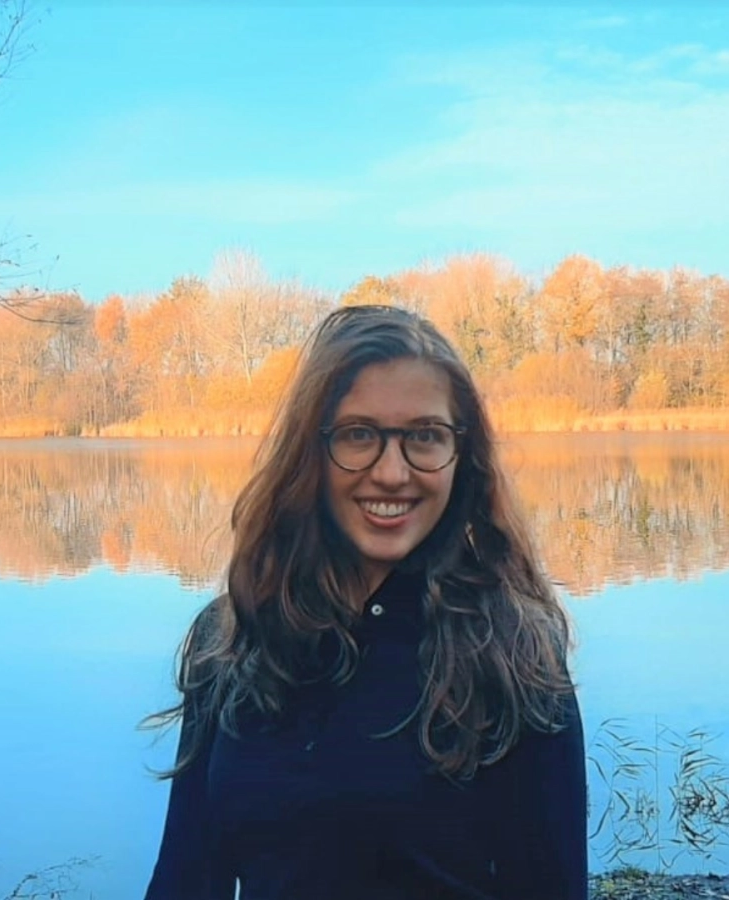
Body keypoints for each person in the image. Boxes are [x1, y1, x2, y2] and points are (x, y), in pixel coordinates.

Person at [143, 304, 587, 900]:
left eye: (425, 436)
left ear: (463, 455)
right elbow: (187, 875)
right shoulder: (230, 638)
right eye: (359, 434)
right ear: (311, 451)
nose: (392, 473)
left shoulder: (512, 649)